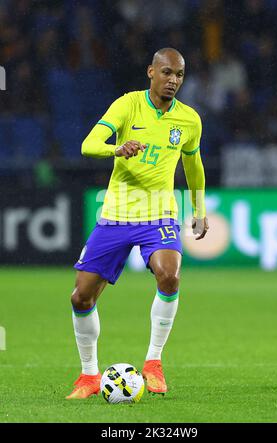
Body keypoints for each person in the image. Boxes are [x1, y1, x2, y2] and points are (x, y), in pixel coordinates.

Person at [66, 48, 209, 399]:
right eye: (166, 72)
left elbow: (193, 166)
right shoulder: (128, 105)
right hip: (117, 214)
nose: (173, 80)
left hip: (158, 214)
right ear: (150, 72)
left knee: (170, 273)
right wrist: (116, 149)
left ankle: (154, 364)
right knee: (82, 297)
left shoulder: (189, 120)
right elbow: (88, 144)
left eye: (179, 74)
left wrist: (198, 209)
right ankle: (88, 376)